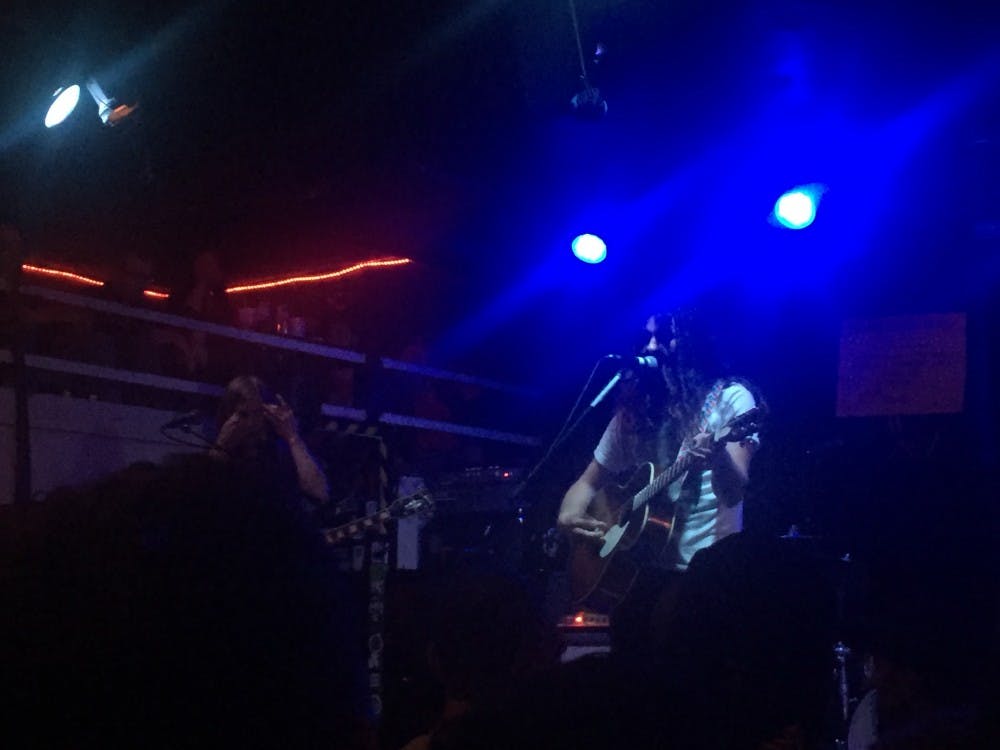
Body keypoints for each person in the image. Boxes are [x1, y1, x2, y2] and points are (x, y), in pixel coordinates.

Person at [556, 311, 762, 656]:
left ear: (692, 342)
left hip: (703, 576)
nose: (651, 346)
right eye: (646, 336)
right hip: (639, 578)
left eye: (663, 336)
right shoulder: (636, 410)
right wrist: (569, 515)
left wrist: (718, 456)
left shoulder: (731, 398)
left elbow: (734, 491)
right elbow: (587, 484)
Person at [211, 374, 330, 509]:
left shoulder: (279, 451)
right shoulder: (212, 446)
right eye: (243, 415)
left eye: (257, 414)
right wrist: (221, 447)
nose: (251, 423)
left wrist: (292, 437)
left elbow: (320, 493)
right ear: (228, 415)